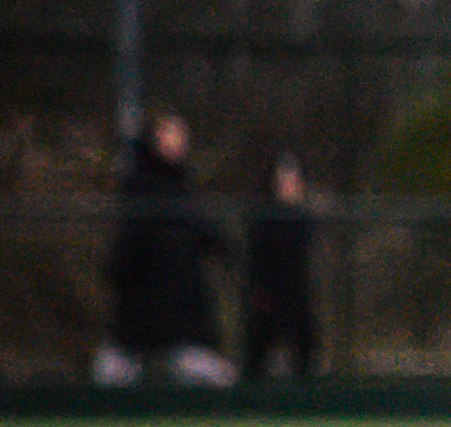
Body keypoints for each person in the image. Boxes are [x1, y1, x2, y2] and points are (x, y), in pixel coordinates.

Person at [93, 113, 235, 387]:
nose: (177, 142)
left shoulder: (184, 187)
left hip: (181, 308)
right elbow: (127, 243)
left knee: (209, 376)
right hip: (141, 304)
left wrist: (223, 247)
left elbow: (204, 231)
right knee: (112, 376)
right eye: (169, 134)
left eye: (180, 135)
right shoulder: (140, 186)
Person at [242, 152, 317, 381]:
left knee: (305, 344)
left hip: (295, 293)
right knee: (259, 349)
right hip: (267, 294)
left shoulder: (302, 219)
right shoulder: (263, 218)